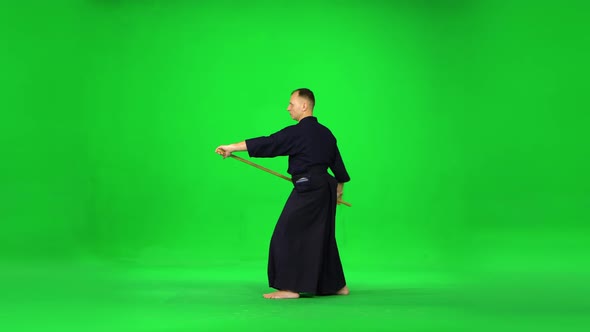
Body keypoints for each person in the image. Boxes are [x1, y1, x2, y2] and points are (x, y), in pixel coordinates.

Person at [215, 88, 350, 299]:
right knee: (323, 237)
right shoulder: (326, 133)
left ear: (304, 106)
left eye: (291, 104)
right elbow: (338, 166)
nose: (288, 108)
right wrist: (339, 191)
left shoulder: (298, 132)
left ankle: (289, 288)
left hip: (308, 188)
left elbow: (269, 143)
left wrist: (232, 147)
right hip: (326, 188)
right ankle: (337, 286)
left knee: (285, 235)